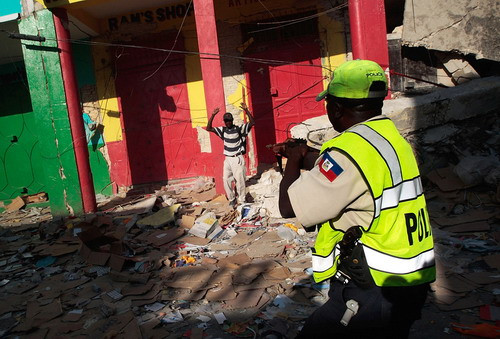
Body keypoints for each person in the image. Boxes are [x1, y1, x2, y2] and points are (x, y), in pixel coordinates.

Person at [278, 59, 436, 338]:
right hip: (412, 279)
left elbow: (288, 206)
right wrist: (304, 154)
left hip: (374, 285)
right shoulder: (390, 138)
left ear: (337, 108)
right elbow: (349, 170)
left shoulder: (347, 151)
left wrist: (292, 160)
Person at [206, 102, 255, 207]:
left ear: (232, 120)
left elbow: (252, 123)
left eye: (229, 120)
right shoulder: (222, 130)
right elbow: (208, 128)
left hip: (237, 158)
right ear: (224, 122)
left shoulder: (239, 129)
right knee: (226, 179)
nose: (228, 122)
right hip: (228, 159)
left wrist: (246, 110)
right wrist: (213, 115)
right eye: (226, 121)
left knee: (240, 180)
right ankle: (232, 198)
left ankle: (242, 200)